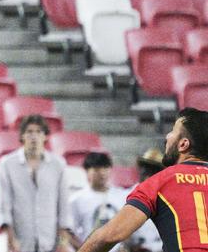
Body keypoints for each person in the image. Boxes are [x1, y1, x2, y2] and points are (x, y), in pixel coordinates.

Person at [74, 108, 208, 252]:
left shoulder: (159, 182)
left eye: (173, 131)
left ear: (183, 144)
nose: (167, 136)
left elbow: (108, 237)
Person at [0, 115, 73, 252]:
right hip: (19, 241)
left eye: (38, 132)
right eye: (29, 132)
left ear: (45, 136)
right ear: (22, 136)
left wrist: (63, 242)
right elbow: (3, 203)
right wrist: (9, 236)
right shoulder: (7, 164)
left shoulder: (58, 164)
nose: (34, 136)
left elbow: (64, 205)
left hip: (49, 241)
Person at [68, 153, 130, 251]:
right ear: (87, 171)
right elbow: (69, 233)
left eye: (105, 168)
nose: (102, 173)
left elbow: (128, 226)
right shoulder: (77, 199)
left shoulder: (122, 195)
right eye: (97, 169)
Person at [131, 149, 165, 252]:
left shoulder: (166, 197)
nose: (148, 174)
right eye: (145, 167)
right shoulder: (128, 195)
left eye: (154, 170)